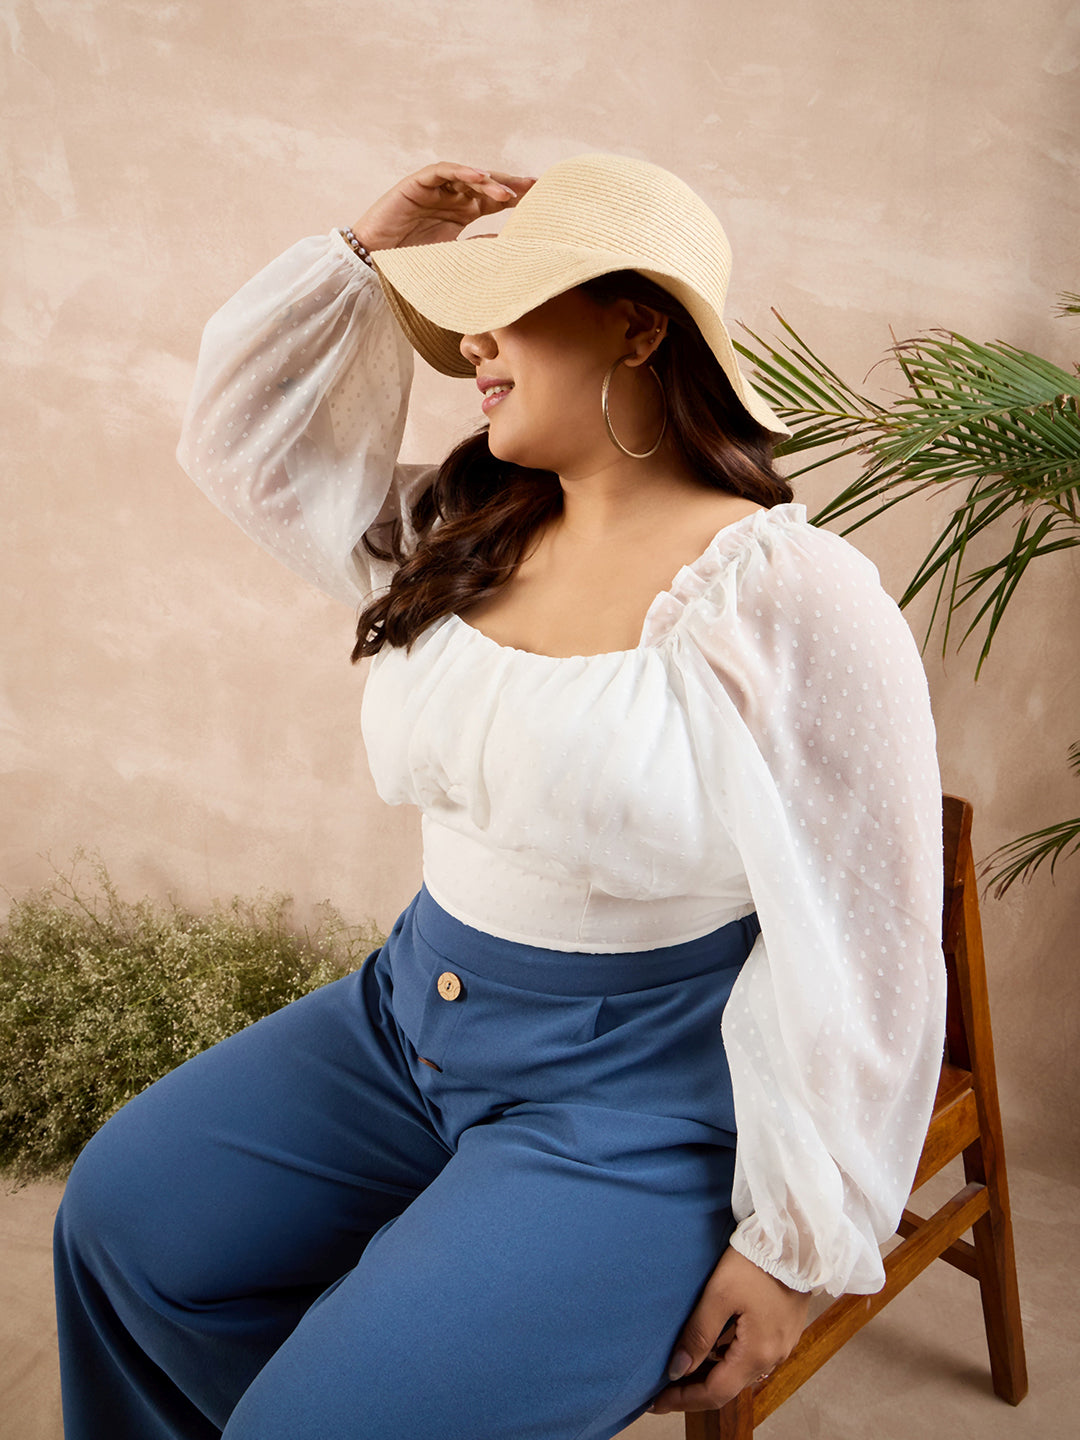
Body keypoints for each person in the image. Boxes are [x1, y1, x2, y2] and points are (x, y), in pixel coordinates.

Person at [53, 154, 946, 1440]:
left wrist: (794, 1248)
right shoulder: (464, 527)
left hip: (634, 1102)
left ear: (637, 327)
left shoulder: (790, 594)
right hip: (403, 1017)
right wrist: (366, 249)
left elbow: (877, 941)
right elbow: (245, 447)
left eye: (507, 307)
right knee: (121, 1225)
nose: (470, 343)